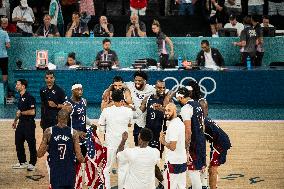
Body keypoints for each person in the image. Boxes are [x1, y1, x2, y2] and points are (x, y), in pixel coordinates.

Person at [37, 109, 85, 189]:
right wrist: (86, 160)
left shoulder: (48, 131)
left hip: (55, 170)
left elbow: (39, 154)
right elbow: (79, 156)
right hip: (69, 170)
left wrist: (49, 146)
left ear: (57, 118)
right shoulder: (74, 133)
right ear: (68, 119)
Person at [98, 89, 133, 189]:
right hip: (123, 144)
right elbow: (130, 124)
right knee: (123, 168)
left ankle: (107, 187)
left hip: (110, 144)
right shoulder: (128, 111)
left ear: (112, 98)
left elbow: (100, 126)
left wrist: (105, 131)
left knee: (107, 168)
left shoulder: (106, 110)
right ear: (122, 98)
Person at [176, 87, 206, 189]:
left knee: (193, 170)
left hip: (194, 143)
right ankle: (204, 186)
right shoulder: (198, 104)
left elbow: (188, 131)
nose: (179, 101)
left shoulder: (186, 108)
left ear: (180, 97)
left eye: (178, 99)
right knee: (201, 168)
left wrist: (186, 148)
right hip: (201, 139)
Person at [199, 100, 231, 189]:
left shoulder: (203, 121)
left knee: (213, 169)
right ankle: (214, 186)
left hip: (219, 144)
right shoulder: (206, 119)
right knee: (211, 168)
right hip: (219, 142)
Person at [159, 103, 187, 189]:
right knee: (181, 186)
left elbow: (172, 147)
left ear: (175, 111)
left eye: (169, 110)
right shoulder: (179, 122)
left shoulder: (173, 126)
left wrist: (163, 141)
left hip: (173, 162)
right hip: (182, 160)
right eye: (166, 110)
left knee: (170, 186)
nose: (166, 113)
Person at [12, 79, 37, 171]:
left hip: (29, 124)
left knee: (31, 144)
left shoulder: (30, 97)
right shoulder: (20, 97)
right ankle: (22, 162)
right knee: (18, 142)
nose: (16, 86)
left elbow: (32, 112)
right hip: (21, 124)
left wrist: (21, 113)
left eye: (17, 84)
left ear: (23, 86)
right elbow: (19, 112)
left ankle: (32, 163)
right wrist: (15, 121)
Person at [125, 71, 156, 146]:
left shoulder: (151, 89)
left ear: (145, 81)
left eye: (139, 80)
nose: (137, 82)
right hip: (138, 122)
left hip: (149, 122)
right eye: (135, 80)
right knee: (137, 145)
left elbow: (166, 92)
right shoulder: (130, 85)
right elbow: (117, 84)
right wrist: (108, 91)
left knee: (149, 146)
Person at [140, 80, 168, 156]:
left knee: (157, 155)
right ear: (155, 87)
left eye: (163, 88)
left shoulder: (166, 99)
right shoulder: (147, 98)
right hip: (148, 130)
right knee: (145, 153)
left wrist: (161, 108)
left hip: (160, 131)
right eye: (159, 87)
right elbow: (139, 113)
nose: (161, 89)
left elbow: (169, 114)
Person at [0, 20, 10, 96]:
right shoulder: (4, 33)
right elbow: (8, 45)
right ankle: (4, 89)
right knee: (4, 71)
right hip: (3, 56)